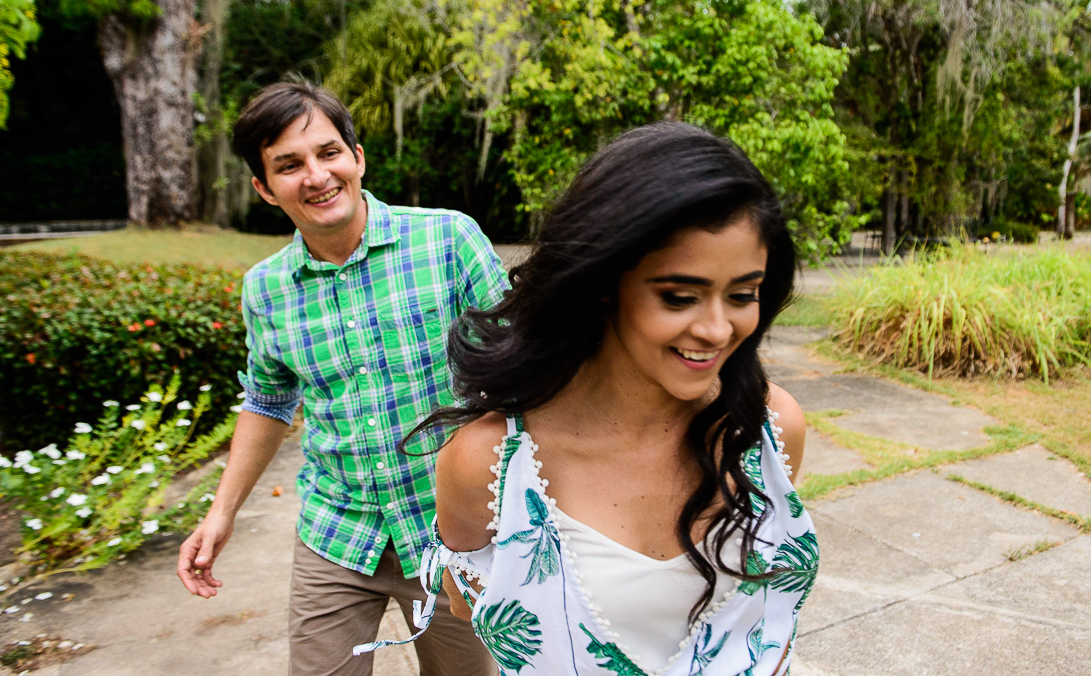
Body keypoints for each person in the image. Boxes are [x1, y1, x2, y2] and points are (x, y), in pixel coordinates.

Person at [357, 122, 818, 675]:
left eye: (743, 294)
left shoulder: (770, 429)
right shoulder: (488, 464)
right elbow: (470, 601)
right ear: (602, 280)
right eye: (679, 296)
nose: (718, 329)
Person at [175, 82, 507, 676]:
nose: (316, 175)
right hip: (337, 531)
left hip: (453, 531)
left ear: (357, 156)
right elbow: (269, 402)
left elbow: (523, 373)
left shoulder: (446, 240)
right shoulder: (266, 288)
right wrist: (221, 511)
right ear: (263, 188)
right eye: (289, 165)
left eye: (329, 153)